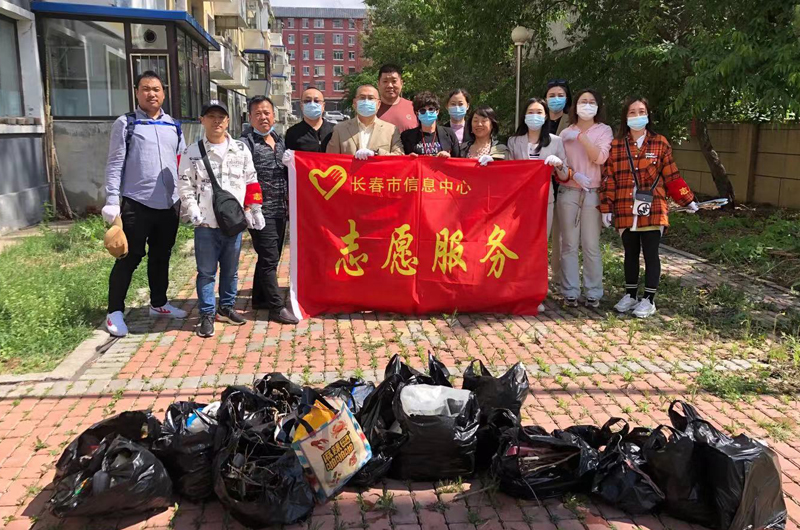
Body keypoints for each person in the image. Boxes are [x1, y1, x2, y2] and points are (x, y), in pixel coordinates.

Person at [101, 70, 187, 337]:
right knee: (130, 256)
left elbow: (182, 163)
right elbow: (115, 163)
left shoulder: (174, 125)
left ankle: (159, 303)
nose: (152, 94)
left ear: (164, 93)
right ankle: (115, 311)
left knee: (161, 255)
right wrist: (112, 200)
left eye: (156, 89)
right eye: (146, 89)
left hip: (169, 203)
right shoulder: (127, 124)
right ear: (137, 92)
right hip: (137, 202)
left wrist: (185, 197)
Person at [601, 97, 698, 318]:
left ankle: (649, 299)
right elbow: (609, 179)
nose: (637, 116)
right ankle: (630, 294)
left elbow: (672, 175)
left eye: (641, 111)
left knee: (651, 253)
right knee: (630, 253)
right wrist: (606, 207)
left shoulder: (660, 143)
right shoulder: (616, 145)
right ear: (625, 117)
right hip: (626, 207)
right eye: (632, 112)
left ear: (648, 115)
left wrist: (687, 199)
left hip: (653, 207)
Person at [178, 100, 264, 338]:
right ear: (202, 120)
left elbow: (251, 180)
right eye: (211, 116)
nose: (216, 121)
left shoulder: (240, 149)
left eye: (221, 117)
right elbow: (185, 184)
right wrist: (191, 208)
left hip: (233, 222)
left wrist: (254, 208)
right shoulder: (192, 152)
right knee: (206, 272)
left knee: (231, 270)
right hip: (206, 222)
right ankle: (206, 313)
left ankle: (226, 308)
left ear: (228, 121)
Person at [240, 96, 299, 325]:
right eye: (258, 113)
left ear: (274, 115)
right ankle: (276, 307)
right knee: (269, 258)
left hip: (280, 209)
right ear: (250, 117)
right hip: (259, 211)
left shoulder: (279, 139)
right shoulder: (245, 144)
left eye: (267, 113)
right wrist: (248, 207)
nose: (263, 117)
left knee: (271, 254)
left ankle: (259, 298)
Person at [558, 89, 614, 308]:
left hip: (593, 193)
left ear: (598, 106)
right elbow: (560, 165)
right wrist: (572, 175)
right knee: (568, 244)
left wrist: (581, 137)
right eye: (583, 101)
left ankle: (593, 291)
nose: (587, 105)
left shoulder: (604, 130)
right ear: (575, 106)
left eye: (592, 102)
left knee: (591, 244)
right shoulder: (565, 132)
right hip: (569, 192)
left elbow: (599, 157)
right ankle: (570, 291)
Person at [506, 98, 569, 237]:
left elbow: (564, 175)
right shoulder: (514, 141)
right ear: (524, 116)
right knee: (520, 240)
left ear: (545, 116)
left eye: (539, 112)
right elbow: (508, 172)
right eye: (530, 112)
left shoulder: (556, 141)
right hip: (519, 202)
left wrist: (559, 164)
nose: (534, 115)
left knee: (541, 240)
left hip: (544, 200)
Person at [544, 79, 572, 286]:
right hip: (541, 187)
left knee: (561, 237)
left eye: (560, 95)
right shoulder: (537, 119)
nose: (556, 99)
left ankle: (558, 277)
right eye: (551, 96)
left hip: (564, 184)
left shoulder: (572, 122)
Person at [326, 85, 404, 158]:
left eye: (371, 98)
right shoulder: (340, 129)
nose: (366, 101)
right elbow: (331, 159)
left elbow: (399, 157)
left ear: (379, 104)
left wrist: (376, 153)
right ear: (354, 103)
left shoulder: (391, 130)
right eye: (362, 98)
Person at [400, 91, 460, 157]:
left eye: (431, 109)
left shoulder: (449, 134)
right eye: (422, 110)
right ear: (417, 113)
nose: (427, 113)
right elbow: (400, 159)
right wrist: (408, 158)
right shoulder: (406, 136)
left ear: (437, 111)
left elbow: (458, 160)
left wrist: (448, 157)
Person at [285, 88, 335, 152]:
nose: (312, 104)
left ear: (323, 106)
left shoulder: (334, 131)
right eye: (307, 101)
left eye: (316, 101)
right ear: (301, 105)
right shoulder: (292, 133)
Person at [375, 64, 417, 133]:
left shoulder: (414, 107)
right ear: (378, 84)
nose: (390, 85)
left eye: (394, 81)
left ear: (401, 83)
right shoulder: (372, 110)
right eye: (385, 81)